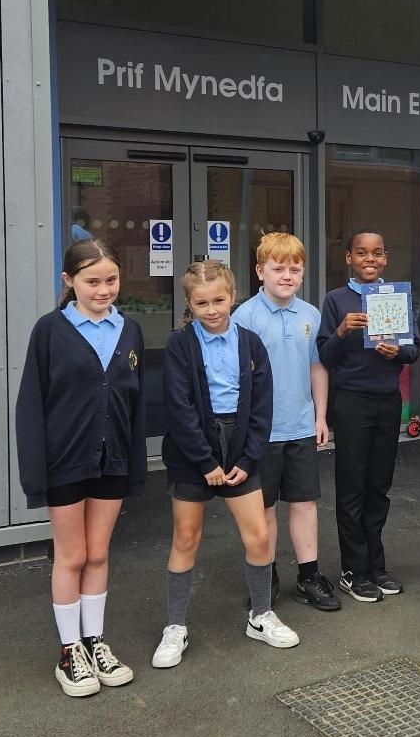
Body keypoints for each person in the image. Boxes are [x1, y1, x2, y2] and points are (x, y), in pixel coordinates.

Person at [15, 237, 146, 697]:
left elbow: (135, 402)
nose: (103, 289)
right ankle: (70, 651)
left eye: (111, 279)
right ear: (69, 281)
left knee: (98, 553)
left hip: (111, 459)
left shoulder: (129, 330)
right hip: (65, 461)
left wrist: (135, 464)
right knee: (70, 555)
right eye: (92, 281)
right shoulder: (50, 331)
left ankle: (95, 641)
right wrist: (35, 472)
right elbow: (31, 403)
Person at [153, 261, 299, 669]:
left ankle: (261, 615)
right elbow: (179, 408)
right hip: (191, 451)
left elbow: (261, 407)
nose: (212, 309)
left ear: (234, 296)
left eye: (219, 300)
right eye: (202, 302)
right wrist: (204, 462)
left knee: (258, 538)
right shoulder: (180, 345)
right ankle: (176, 626)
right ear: (189, 303)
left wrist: (247, 457)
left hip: (239, 448)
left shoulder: (251, 344)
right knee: (186, 538)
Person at [232, 234, 340, 611]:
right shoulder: (244, 317)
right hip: (260, 433)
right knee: (263, 507)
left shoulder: (312, 314)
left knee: (305, 502)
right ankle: (268, 574)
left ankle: (309, 575)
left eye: (295, 269)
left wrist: (320, 416)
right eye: (278, 268)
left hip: (300, 426)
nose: (287, 275)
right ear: (260, 271)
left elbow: (317, 367)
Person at [318, 229, 419, 603]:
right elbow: (325, 357)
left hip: (387, 401)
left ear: (386, 258)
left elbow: (415, 349)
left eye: (377, 253)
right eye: (361, 253)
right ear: (349, 258)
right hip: (351, 402)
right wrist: (343, 330)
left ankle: (376, 564)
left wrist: (399, 353)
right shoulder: (336, 300)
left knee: (379, 486)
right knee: (351, 487)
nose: (369, 259)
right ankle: (352, 569)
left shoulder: (396, 296)